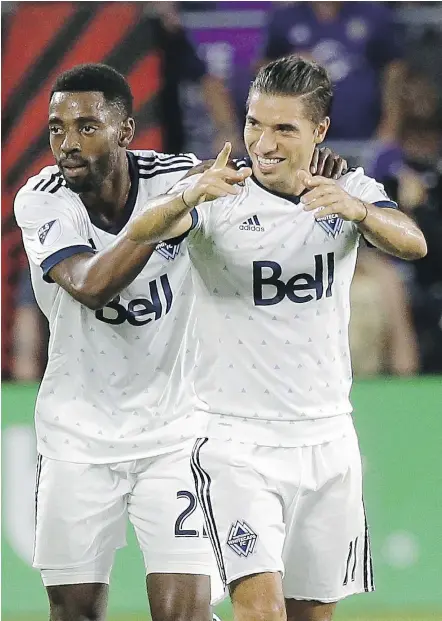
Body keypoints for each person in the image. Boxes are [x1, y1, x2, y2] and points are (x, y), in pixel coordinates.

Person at [14, 62, 347, 621]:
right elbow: (90, 286)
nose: (67, 144)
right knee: (73, 612)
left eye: (87, 127)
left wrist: (309, 166)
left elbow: (259, 182)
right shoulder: (43, 199)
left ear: (125, 131)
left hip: (178, 437)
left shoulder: (179, 177)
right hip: (76, 438)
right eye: (56, 128)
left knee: (182, 615)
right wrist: (164, 217)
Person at [128, 56, 427, 621]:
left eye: (284, 128)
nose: (263, 143)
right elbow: (137, 235)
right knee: (261, 612)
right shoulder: (219, 196)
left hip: (327, 437)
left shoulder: (346, 189)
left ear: (319, 132)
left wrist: (360, 210)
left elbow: (413, 243)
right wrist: (186, 198)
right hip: (234, 441)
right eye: (253, 123)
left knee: (312, 614)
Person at [261, 2, 406, 141]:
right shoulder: (284, 18)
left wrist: (390, 124)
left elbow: (394, 69)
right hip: (302, 128)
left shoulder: (374, 16)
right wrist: (290, 64)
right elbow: (262, 68)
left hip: (364, 127)